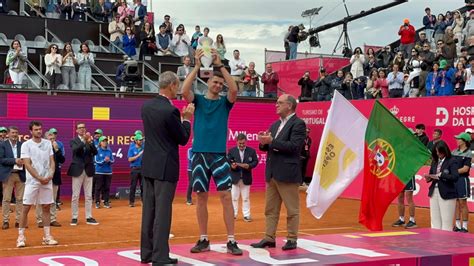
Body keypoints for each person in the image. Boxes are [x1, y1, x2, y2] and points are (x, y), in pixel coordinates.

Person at [181, 49, 242, 255]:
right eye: (215, 82)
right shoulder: (197, 100)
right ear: (208, 82)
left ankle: (231, 240)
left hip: (219, 156)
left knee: (225, 196)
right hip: (199, 154)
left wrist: (220, 66)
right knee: (201, 196)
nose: (218, 85)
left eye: (220, 83)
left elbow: (234, 90)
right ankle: (203, 238)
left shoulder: (225, 103)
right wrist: (197, 66)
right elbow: (184, 90)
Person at [140, 71, 194, 265]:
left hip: (148, 166)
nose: (178, 89)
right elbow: (182, 138)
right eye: (177, 86)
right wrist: (186, 119)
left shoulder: (146, 107)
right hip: (165, 168)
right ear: (171, 85)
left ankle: (146, 253)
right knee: (162, 214)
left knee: (149, 212)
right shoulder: (169, 111)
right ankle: (160, 257)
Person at [251, 94, 306, 251]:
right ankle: (269, 238)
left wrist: (272, 141)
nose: (276, 105)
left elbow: (294, 147)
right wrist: (263, 142)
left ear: (289, 105)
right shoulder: (275, 125)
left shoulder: (298, 124)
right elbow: (270, 147)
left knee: (292, 209)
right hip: (273, 173)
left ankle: (292, 239)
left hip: (288, 173)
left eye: (280, 103)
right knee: (270, 209)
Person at [17, 121, 58, 248]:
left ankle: (47, 236)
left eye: (40, 129)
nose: (39, 131)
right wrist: (39, 177)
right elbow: (27, 164)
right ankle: (21, 237)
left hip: (47, 180)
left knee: (46, 207)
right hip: (32, 182)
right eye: (36, 129)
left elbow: (52, 161)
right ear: (31, 131)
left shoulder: (47, 143)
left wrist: (50, 174)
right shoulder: (26, 145)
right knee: (25, 208)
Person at [393, 123, 429, 229]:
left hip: (409, 173)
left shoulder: (415, 147)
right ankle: (401, 219)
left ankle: (412, 220)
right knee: (400, 197)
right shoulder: (401, 145)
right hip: (401, 173)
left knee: (409, 197)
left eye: (413, 134)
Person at [67, 122, 99, 226]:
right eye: (80, 128)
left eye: (83, 128)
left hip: (88, 169)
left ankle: (89, 217)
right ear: (76, 130)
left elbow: (95, 152)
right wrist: (84, 141)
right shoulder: (73, 141)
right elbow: (75, 150)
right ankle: (74, 217)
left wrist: (90, 142)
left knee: (89, 195)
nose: (82, 129)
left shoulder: (89, 140)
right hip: (77, 170)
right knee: (75, 196)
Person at [425, 141, 459, 231]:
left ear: (445, 150)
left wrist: (442, 175)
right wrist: (429, 177)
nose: (438, 153)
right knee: (435, 220)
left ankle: (446, 243)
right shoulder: (435, 161)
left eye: (439, 151)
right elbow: (432, 173)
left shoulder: (452, 161)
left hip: (447, 192)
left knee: (446, 222)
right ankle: (435, 242)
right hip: (434, 192)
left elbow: (455, 177)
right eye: (436, 151)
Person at [35, 130, 65, 228]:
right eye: (50, 139)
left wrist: (57, 150)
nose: (52, 140)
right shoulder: (41, 148)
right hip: (42, 176)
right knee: (41, 199)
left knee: (53, 199)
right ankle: (40, 220)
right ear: (45, 139)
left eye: (53, 139)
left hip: (54, 176)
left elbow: (62, 160)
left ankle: (52, 219)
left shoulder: (56, 148)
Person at [227, 134, 258, 222]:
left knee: (245, 198)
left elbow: (255, 161)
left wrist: (249, 165)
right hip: (235, 178)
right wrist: (232, 166)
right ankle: (233, 214)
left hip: (246, 178)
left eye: (243, 143)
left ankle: (246, 215)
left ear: (246, 142)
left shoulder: (251, 151)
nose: (241, 145)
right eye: (240, 143)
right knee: (234, 197)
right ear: (236, 142)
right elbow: (228, 161)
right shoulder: (232, 151)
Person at [0, 126, 25, 230]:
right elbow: (1, 160)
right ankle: (5, 221)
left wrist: (22, 161)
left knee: (20, 199)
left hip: (20, 174)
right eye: (13, 133)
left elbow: (26, 157)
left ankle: (19, 221)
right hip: (8, 174)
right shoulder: (2, 145)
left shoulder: (22, 145)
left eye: (16, 132)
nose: (14, 134)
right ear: (8, 134)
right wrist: (15, 160)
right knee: (6, 199)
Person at [452, 132, 472, 233]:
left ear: (464, 141)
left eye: (459, 139)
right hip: (454, 180)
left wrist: (452, 172)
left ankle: (464, 226)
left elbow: (465, 169)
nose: (457, 140)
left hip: (462, 180)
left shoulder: (469, 153)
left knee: (462, 203)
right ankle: (457, 225)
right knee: (455, 203)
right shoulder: (454, 152)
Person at [94, 136, 114, 209]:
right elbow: (96, 161)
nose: (105, 142)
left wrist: (109, 160)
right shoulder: (97, 150)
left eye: (106, 141)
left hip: (108, 172)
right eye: (103, 141)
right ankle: (97, 202)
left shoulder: (109, 151)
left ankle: (106, 202)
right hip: (99, 172)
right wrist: (104, 160)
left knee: (107, 188)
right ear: (100, 143)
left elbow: (113, 160)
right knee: (98, 188)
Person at [127, 133, 143, 207]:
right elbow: (129, 159)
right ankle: (131, 202)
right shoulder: (132, 149)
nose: (141, 141)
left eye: (142, 140)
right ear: (136, 141)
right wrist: (138, 155)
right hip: (134, 169)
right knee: (133, 186)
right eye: (140, 140)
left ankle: (143, 201)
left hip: (143, 169)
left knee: (143, 186)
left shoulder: (144, 148)